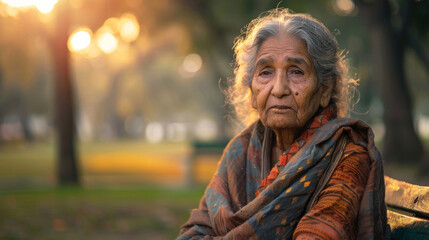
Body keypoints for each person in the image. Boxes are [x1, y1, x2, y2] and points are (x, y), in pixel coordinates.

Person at [178, 9, 389, 240]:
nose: (278, 89)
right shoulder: (241, 152)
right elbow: (193, 233)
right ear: (251, 91)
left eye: (296, 72)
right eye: (265, 72)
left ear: (325, 90)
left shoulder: (347, 158)